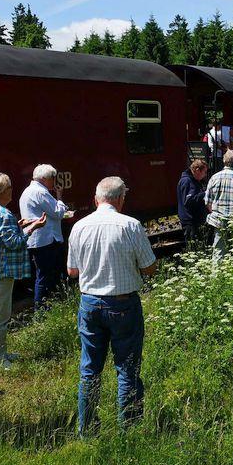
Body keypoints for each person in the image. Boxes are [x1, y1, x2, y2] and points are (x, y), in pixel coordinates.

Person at [67, 177, 157, 435]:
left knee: (89, 370)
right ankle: (129, 429)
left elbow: (72, 271)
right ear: (120, 199)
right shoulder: (130, 225)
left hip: (90, 303)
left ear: (96, 199)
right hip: (123, 304)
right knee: (127, 368)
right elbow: (149, 267)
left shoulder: (79, 226)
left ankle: (87, 429)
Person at [0, 172, 46, 369]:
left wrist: (18, 225)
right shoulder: (3, 214)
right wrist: (33, 228)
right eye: (9, 187)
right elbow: (14, 243)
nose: (12, 190)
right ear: (2, 191)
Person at [20, 164, 69, 308]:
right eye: (52, 178)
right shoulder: (40, 192)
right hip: (45, 240)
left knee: (42, 275)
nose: (54, 181)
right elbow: (58, 212)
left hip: (35, 240)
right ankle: (41, 309)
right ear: (44, 178)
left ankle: (44, 307)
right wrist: (59, 197)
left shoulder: (27, 191)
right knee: (45, 276)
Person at [176, 160, 208, 246]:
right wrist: (205, 193)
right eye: (204, 172)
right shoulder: (187, 181)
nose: (205, 175)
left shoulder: (192, 180)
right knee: (193, 246)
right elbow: (189, 201)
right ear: (197, 170)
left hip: (193, 219)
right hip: (190, 220)